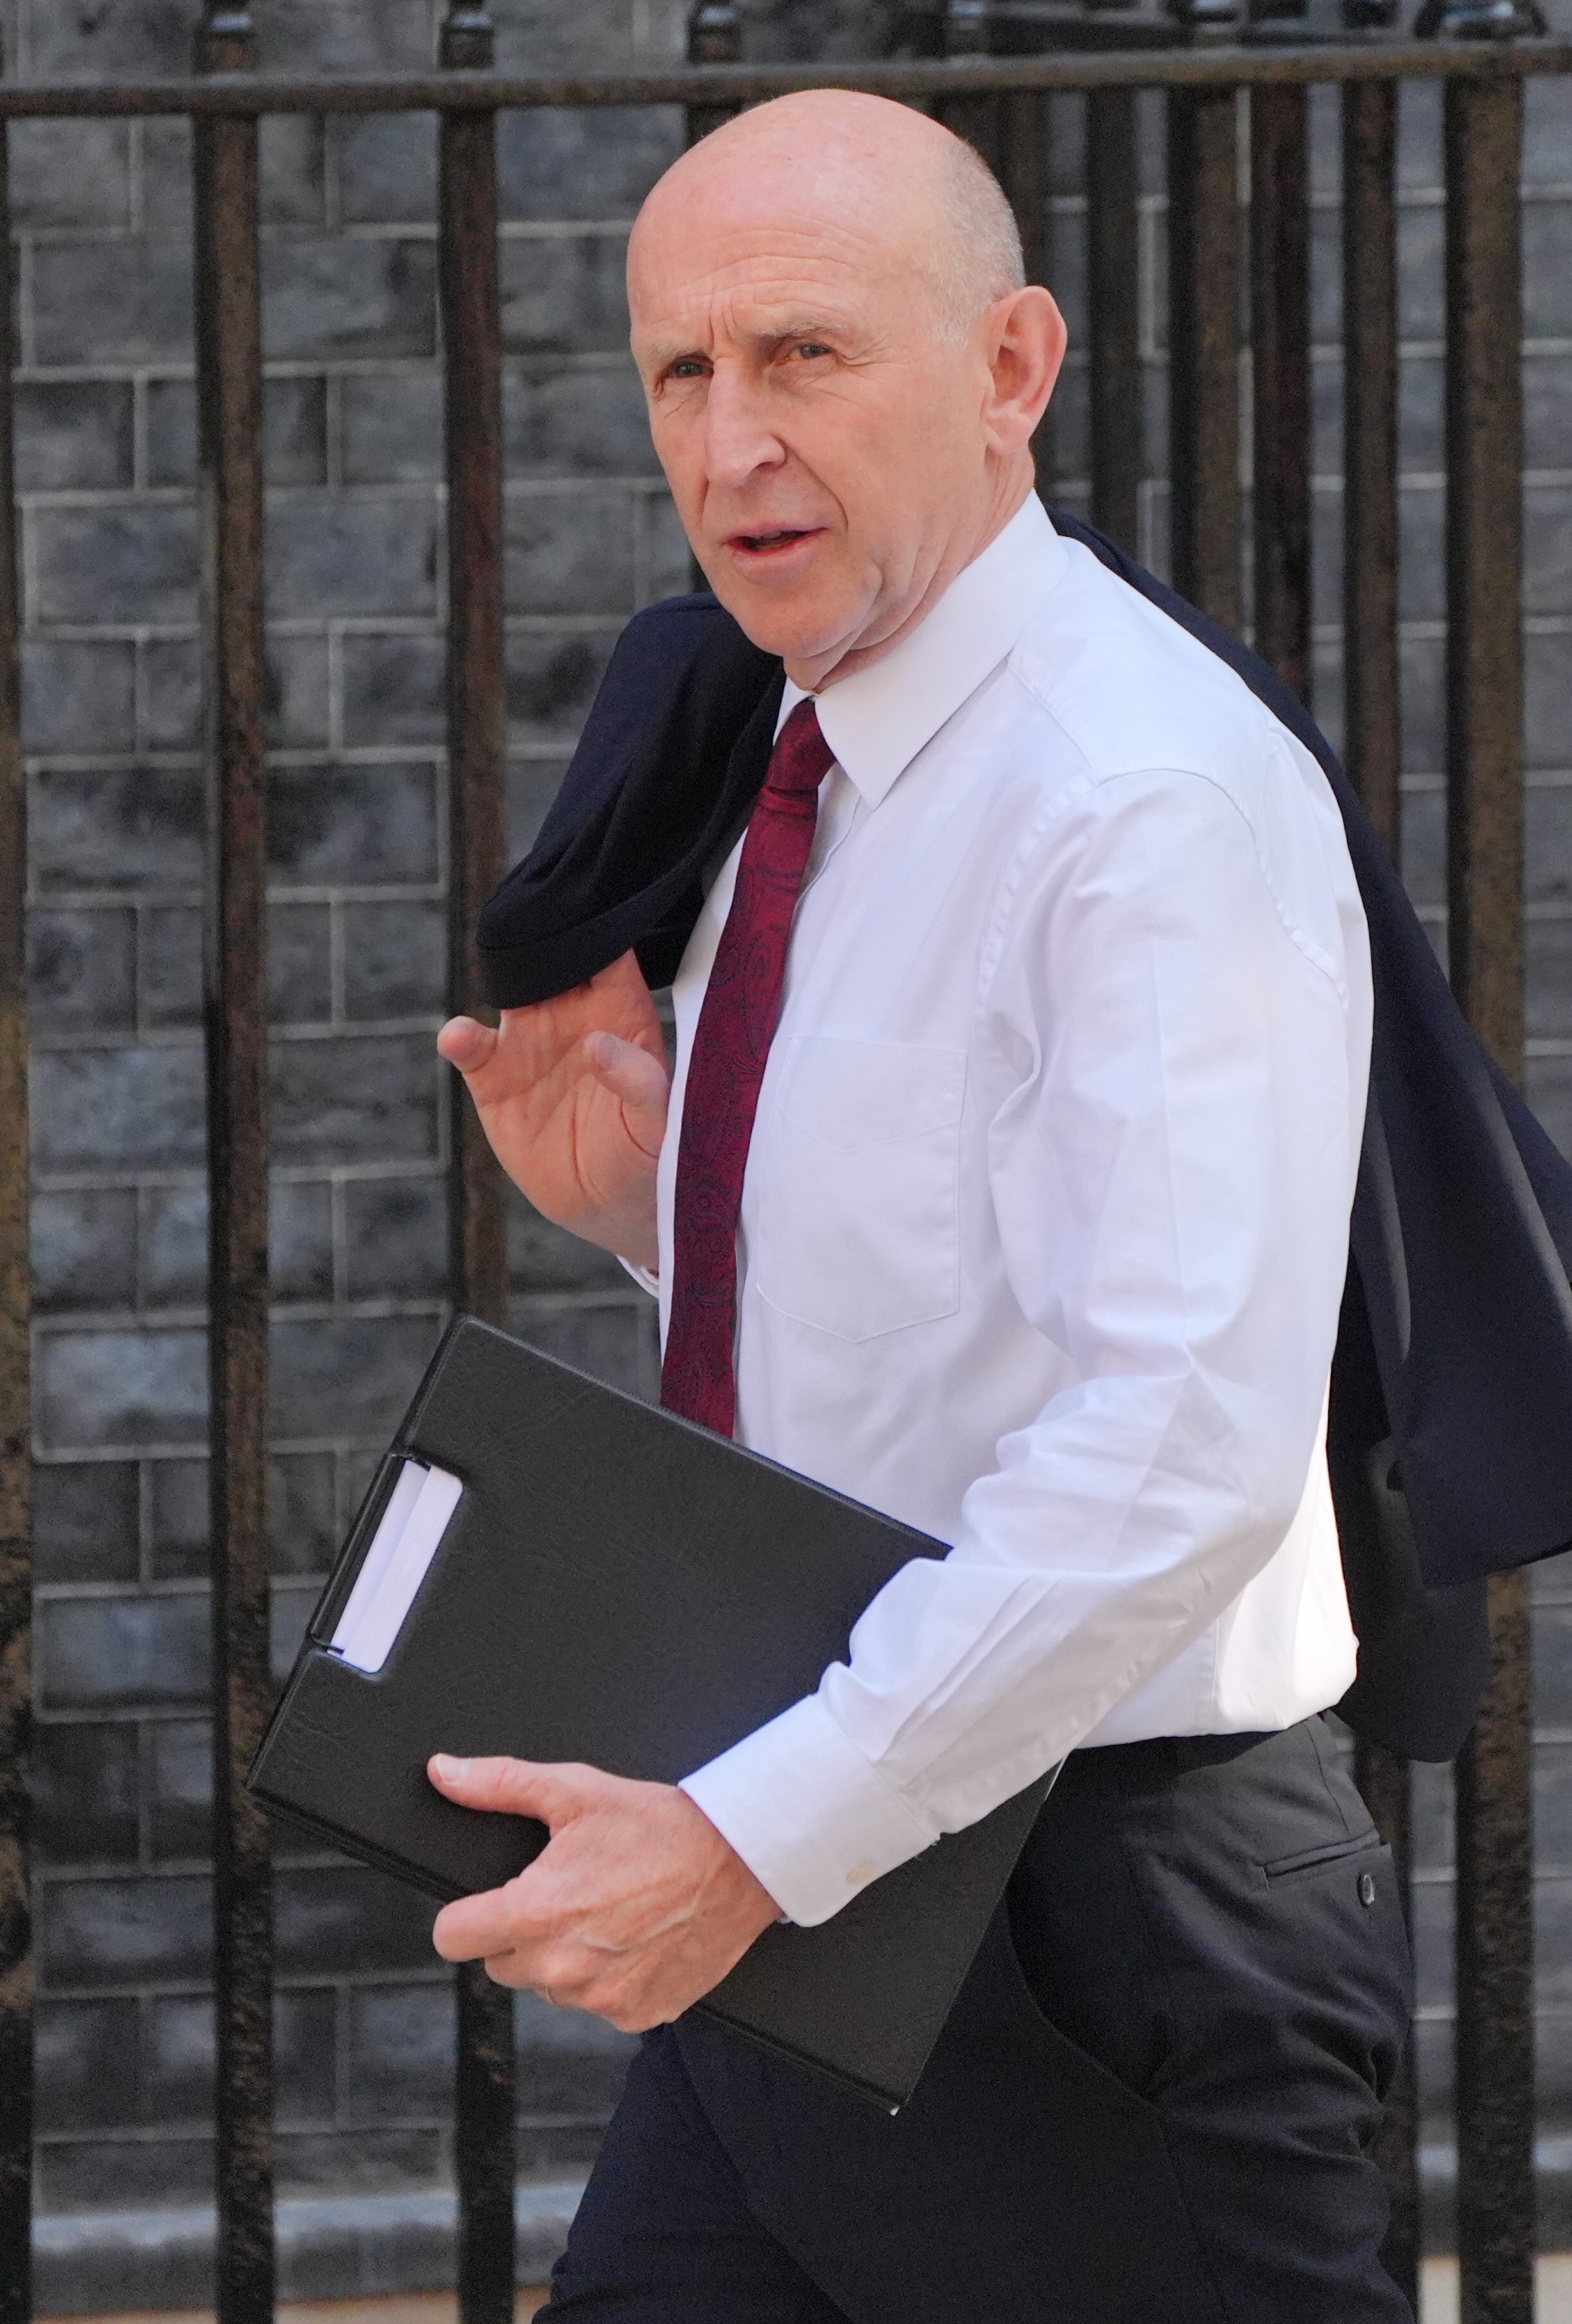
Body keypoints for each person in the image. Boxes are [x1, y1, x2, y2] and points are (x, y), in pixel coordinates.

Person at [426, 88, 1434, 2320]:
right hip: (840, 1852)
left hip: (1086, 1918)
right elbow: (956, 1303)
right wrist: (655, 1213)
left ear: (1009, 370)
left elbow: (1179, 1437)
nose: (730, 442)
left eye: (805, 355)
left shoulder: (1141, 796)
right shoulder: (828, 751)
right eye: (684, 371)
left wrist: (750, 1841)